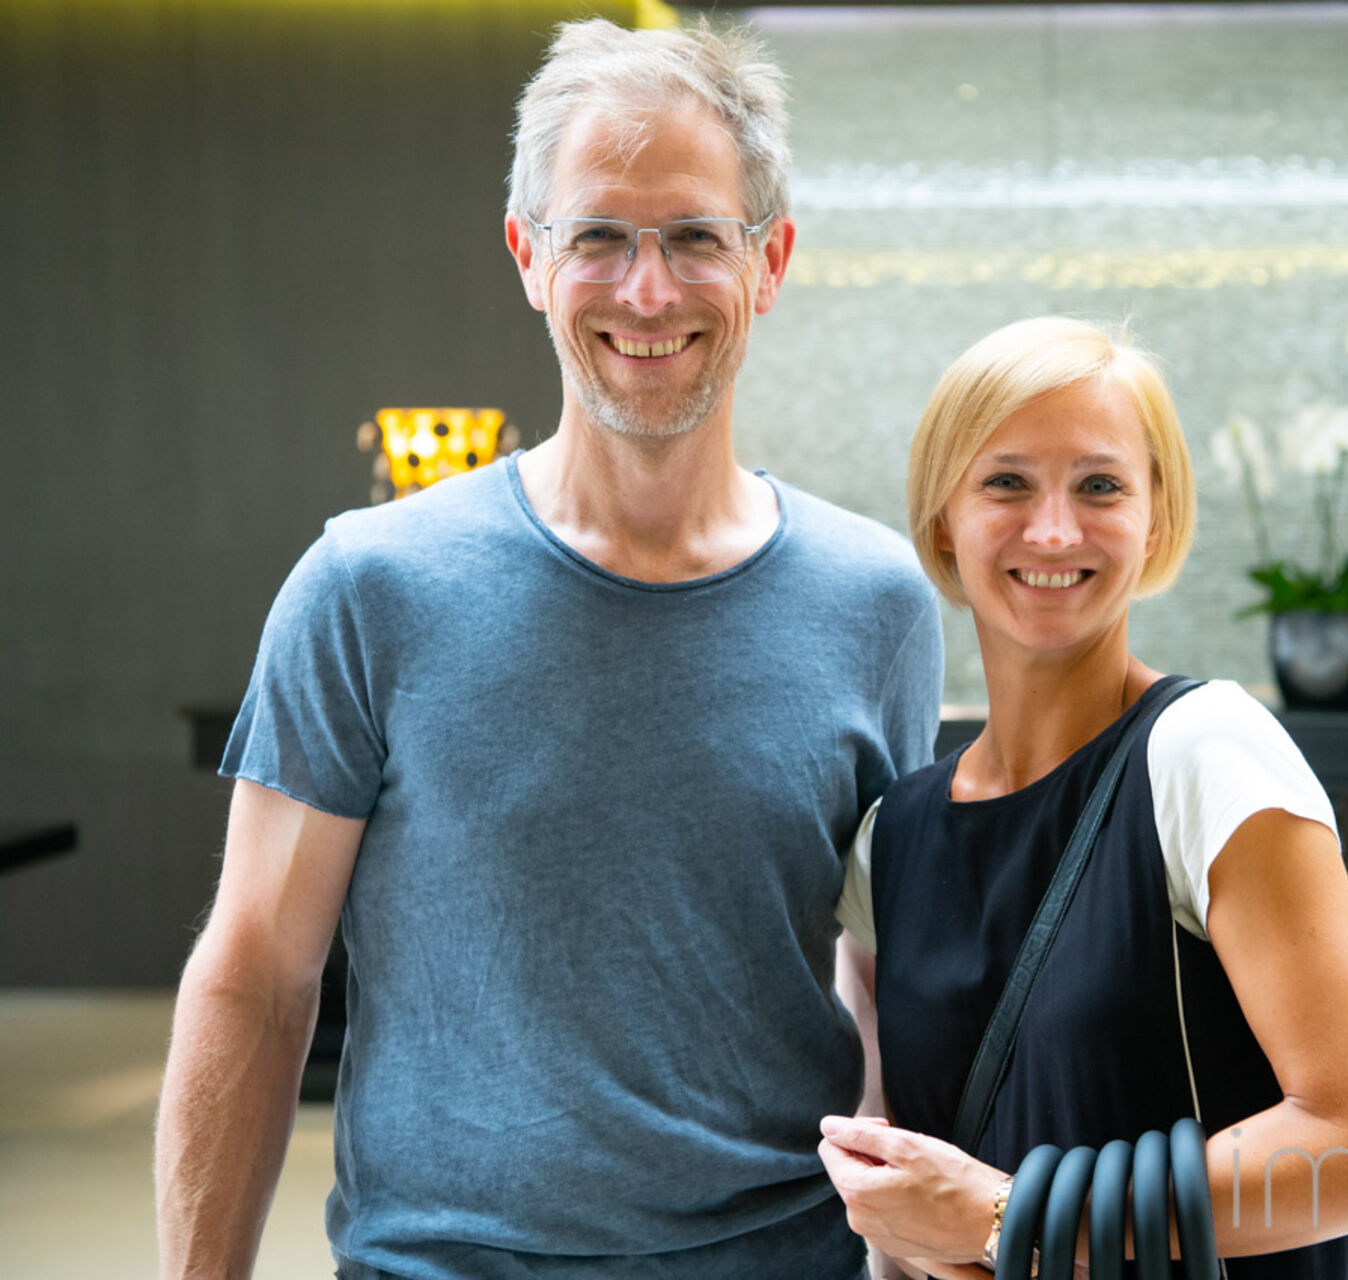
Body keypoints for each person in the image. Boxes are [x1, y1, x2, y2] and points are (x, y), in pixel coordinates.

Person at [154, 18, 942, 1280]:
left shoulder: (877, 603)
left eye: (696, 236)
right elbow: (255, 979)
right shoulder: (369, 587)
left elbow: (884, 979)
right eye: (599, 237)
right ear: (529, 255)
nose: (648, 290)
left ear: (770, 261)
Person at [817, 317, 1348, 1278]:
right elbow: (900, 1198)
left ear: (1158, 521)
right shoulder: (892, 841)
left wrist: (1011, 1218)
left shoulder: (1205, 756)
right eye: (1006, 483)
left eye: (1100, 486)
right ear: (942, 522)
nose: (1054, 530)